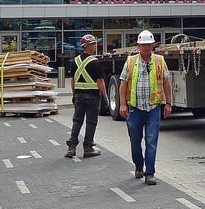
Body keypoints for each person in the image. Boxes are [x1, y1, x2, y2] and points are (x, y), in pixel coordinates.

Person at [118, 29, 172, 185]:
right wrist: (122, 104)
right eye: (143, 45)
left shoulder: (160, 61)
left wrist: (168, 103)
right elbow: (123, 83)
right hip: (135, 109)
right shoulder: (131, 61)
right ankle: (138, 165)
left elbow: (167, 82)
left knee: (151, 141)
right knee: (135, 141)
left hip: (153, 108)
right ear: (138, 46)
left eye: (149, 44)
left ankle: (150, 173)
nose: (146, 47)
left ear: (153, 45)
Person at [65, 34, 108, 158]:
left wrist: (74, 95)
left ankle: (71, 147)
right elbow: (100, 81)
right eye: (94, 44)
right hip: (92, 96)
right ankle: (88, 147)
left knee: (77, 121)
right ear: (88, 46)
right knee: (91, 122)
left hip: (79, 95)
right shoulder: (95, 62)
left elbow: (73, 80)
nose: (95, 46)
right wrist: (105, 97)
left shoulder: (75, 61)